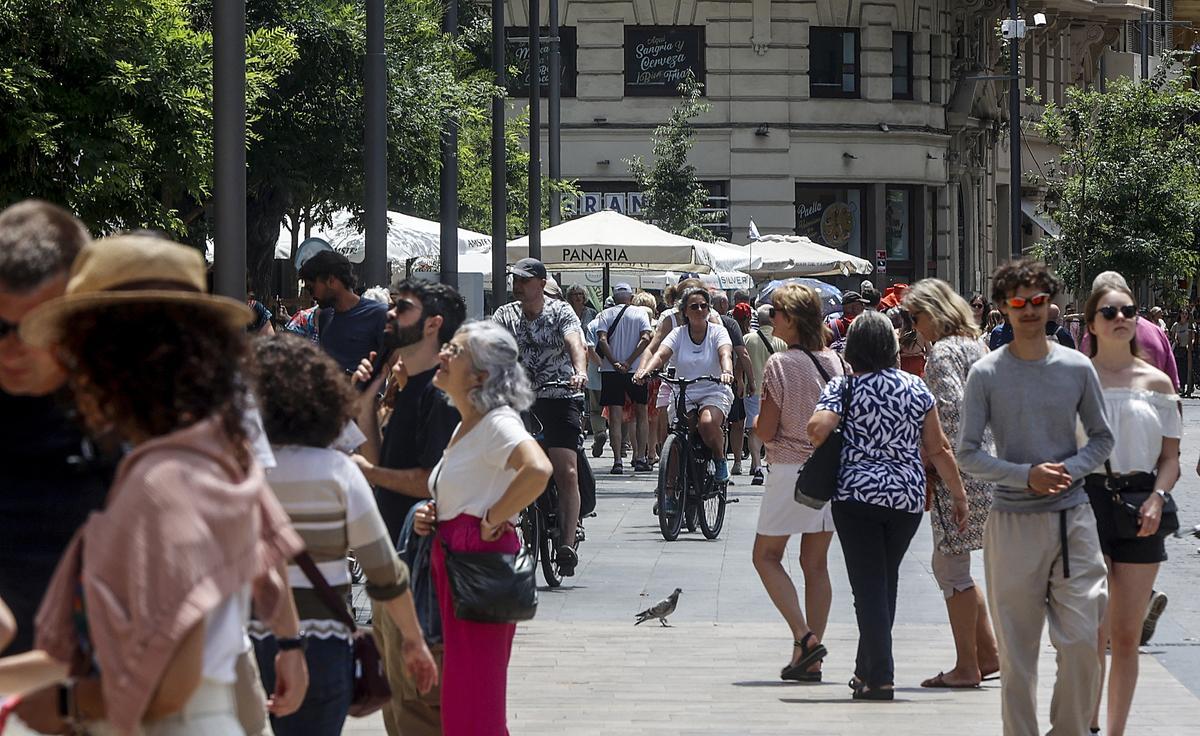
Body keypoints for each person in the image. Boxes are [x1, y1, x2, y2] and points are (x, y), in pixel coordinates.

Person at [19, 234, 309, 734]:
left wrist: (61, 706)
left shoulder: (163, 481)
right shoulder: (213, 457)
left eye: (76, 353)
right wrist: (289, 643)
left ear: (113, 360)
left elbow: (168, 681)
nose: (71, 375)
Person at [250, 336, 437, 735]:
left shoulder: (236, 473)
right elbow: (384, 572)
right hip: (322, 641)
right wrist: (413, 639)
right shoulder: (338, 472)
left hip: (245, 640)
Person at [957, 259, 1113, 736]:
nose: (1029, 311)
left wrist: (1069, 470)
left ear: (1051, 305)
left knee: (1084, 644)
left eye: (1038, 301)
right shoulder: (986, 373)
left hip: (1073, 520)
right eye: (1018, 302)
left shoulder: (1077, 367)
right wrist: (1025, 475)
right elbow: (966, 453)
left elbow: (1102, 440)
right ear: (1003, 308)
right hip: (1012, 525)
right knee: (1018, 661)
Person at [807, 311, 969, 701]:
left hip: (856, 497)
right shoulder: (916, 389)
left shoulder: (845, 388)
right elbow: (938, 447)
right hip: (906, 499)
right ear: (892, 346)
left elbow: (816, 430)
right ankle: (866, 669)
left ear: (856, 348)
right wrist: (959, 494)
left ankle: (880, 676)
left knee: (869, 587)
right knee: (884, 581)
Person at [412, 321, 553, 736]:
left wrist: (492, 517)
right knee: (463, 699)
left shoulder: (496, 422)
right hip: (460, 557)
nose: (442, 355)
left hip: (478, 561)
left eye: (454, 351)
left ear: (481, 376)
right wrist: (435, 512)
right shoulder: (468, 423)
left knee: (475, 703)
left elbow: (538, 468)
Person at [350, 278, 465, 736]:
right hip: (394, 568)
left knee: (419, 708)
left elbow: (429, 481)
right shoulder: (410, 386)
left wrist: (370, 475)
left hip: (423, 572)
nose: (391, 315)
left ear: (433, 323)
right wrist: (365, 400)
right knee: (397, 708)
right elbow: (379, 461)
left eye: (403, 308)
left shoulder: (440, 395)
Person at [1082, 283, 1179, 736]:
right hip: (1090, 502)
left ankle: (1115, 729)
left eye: (1128, 310)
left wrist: (1159, 496)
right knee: (1091, 631)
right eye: (1109, 311)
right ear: (1092, 322)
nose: (1120, 316)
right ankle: (1086, 722)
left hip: (1143, 503)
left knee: (1125, 637)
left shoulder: (1157, 384)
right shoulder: (1077, 380)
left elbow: (1171, 458)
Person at [903, 279, 999, 689]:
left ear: (934, 314)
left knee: (951, 564)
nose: (914, 326)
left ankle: (967, 665)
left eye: (916, 316)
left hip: (961, 472)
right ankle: (988, 653)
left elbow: (950, 416)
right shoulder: (978, 347)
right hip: (990, 465)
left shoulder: (941, 354)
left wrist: (936, 466)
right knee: (955, 564)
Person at [753, 284, 839, 683]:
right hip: (828, 472)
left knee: (766, 556)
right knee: (815, 564)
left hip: (790, 469)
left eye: (778, 313)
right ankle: (809, 657)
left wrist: (757, 427)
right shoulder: (835, 362)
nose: (773, 318)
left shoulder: (781, 364)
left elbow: (768, 430)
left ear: (792, 319)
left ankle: (804, 637)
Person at [492, 258, 588, 575]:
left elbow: (576, 342)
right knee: (508, 466)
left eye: (524, 280)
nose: (517, 285)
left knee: (566, 470)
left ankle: (567, 540)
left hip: (559, 395)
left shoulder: (560, 311)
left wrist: (579, 372)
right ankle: (515, 528)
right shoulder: (505, 314)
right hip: (519, 398)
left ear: (541, 283)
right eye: (515, 280)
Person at [634, 287, 736, 481]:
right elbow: (661, 354)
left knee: (706, 423)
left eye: (704, 306)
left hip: (713, 390)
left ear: (709, 309)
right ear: (685, 312)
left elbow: (725, 354)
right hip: (684, 391)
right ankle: (671, 490)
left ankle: (720, 459)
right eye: (694, 307)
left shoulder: (718, 332)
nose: (699, 310)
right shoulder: (678, 333)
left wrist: (727, 372)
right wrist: (646, 371)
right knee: (677, 436)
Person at [292, 249, 387, 372]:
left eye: (311, 288)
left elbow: (396, 367)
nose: (312, 296)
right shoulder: (325, 317)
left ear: (331, 281)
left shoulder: (379, 315)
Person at [596, 283, 653, 473]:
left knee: (615, 416)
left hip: (611, 371)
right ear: (630, 297)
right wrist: (629, 361)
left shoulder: (605, 314)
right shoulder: (639, 313)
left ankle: (617, 460)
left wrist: (614, 362)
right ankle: (640, 458)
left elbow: (602, 340)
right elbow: (646, 338)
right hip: (635, 369)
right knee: (641, 413)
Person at [744, 304, 786, 485]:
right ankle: (771, 463)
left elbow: (740, 363)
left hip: (752, 389)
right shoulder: (782, 341)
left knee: (754, 429)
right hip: (776, 390)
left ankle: (757, 465)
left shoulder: (747, 339)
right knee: (773, 430)